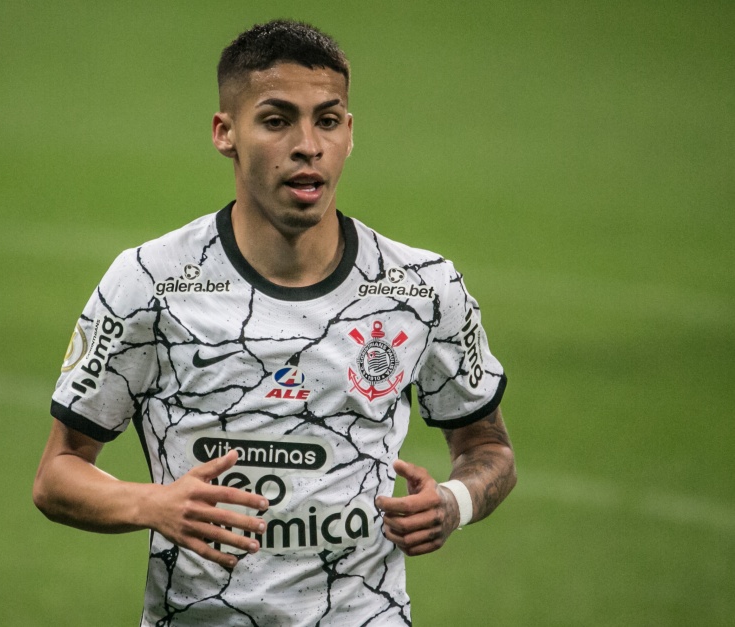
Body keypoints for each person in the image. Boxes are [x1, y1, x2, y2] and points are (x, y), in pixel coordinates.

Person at [33, 19, 516, 626]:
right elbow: (57, 475)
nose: (308, 145)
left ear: (349, 133)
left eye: (328, 119)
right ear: (224, 132)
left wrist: (456, 502)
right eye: (277, 119)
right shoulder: (151, 282)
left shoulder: (423, 286)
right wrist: (153, 504)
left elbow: (487, 447)